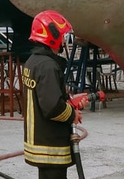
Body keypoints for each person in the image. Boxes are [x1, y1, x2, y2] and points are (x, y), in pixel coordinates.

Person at [22, 10, 79, 179]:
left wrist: (68, 100)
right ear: (51, 36)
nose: (63, 40)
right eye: (61, 35)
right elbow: (53, 108)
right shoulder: (48, 66)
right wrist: (73, 114)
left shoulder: (32, 62)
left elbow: (44, 95)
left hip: (39, 142)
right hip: (51, 145)